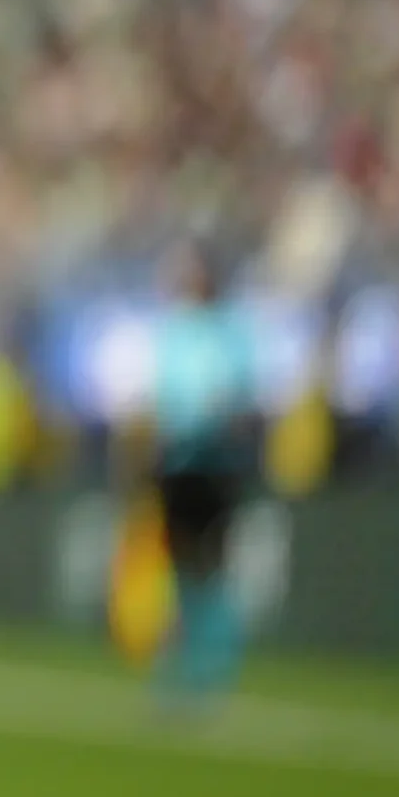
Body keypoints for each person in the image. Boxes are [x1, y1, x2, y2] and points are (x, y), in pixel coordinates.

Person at [145, 239, 258, 703]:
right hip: (178, 464)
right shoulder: (175, 331)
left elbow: (235, 402)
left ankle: (214, 666)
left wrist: (209, 429)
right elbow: (165, 403)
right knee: (182, 567)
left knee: (213, 566)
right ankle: (185, 665)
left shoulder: (230, 333)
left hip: (214, 464)